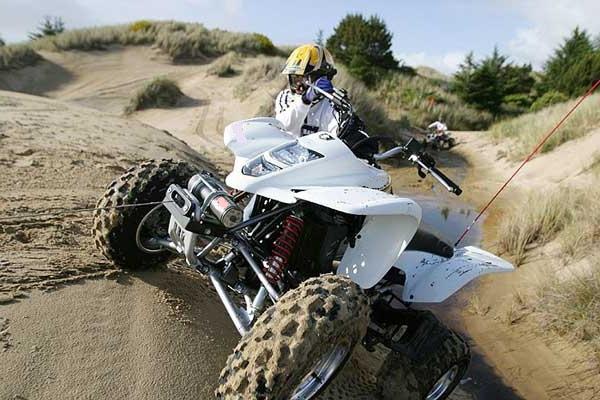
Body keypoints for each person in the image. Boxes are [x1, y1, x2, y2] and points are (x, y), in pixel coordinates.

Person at [276, 44, 339, 138]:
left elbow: (337, 136)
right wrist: (305, 100)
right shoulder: (285, 96)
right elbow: (283, 126)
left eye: (303, 79)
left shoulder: (334, 101)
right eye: (295, 79)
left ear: (319, 77)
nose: (298, 87)